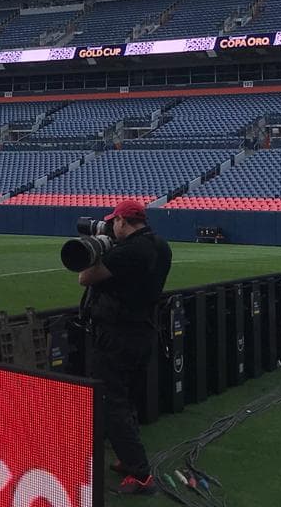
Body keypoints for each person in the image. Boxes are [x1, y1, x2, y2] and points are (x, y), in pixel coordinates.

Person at [77, 199, 172, 496]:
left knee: (110, 402)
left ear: (122, 221)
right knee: (125, 397)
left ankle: (140, 474)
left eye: (113, 222)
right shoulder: (160, 245)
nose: (110, 226)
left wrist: (97, 250)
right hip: (141, 332)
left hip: (117, 336)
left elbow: (84, 277)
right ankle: (126, 457)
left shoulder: (129, 251)